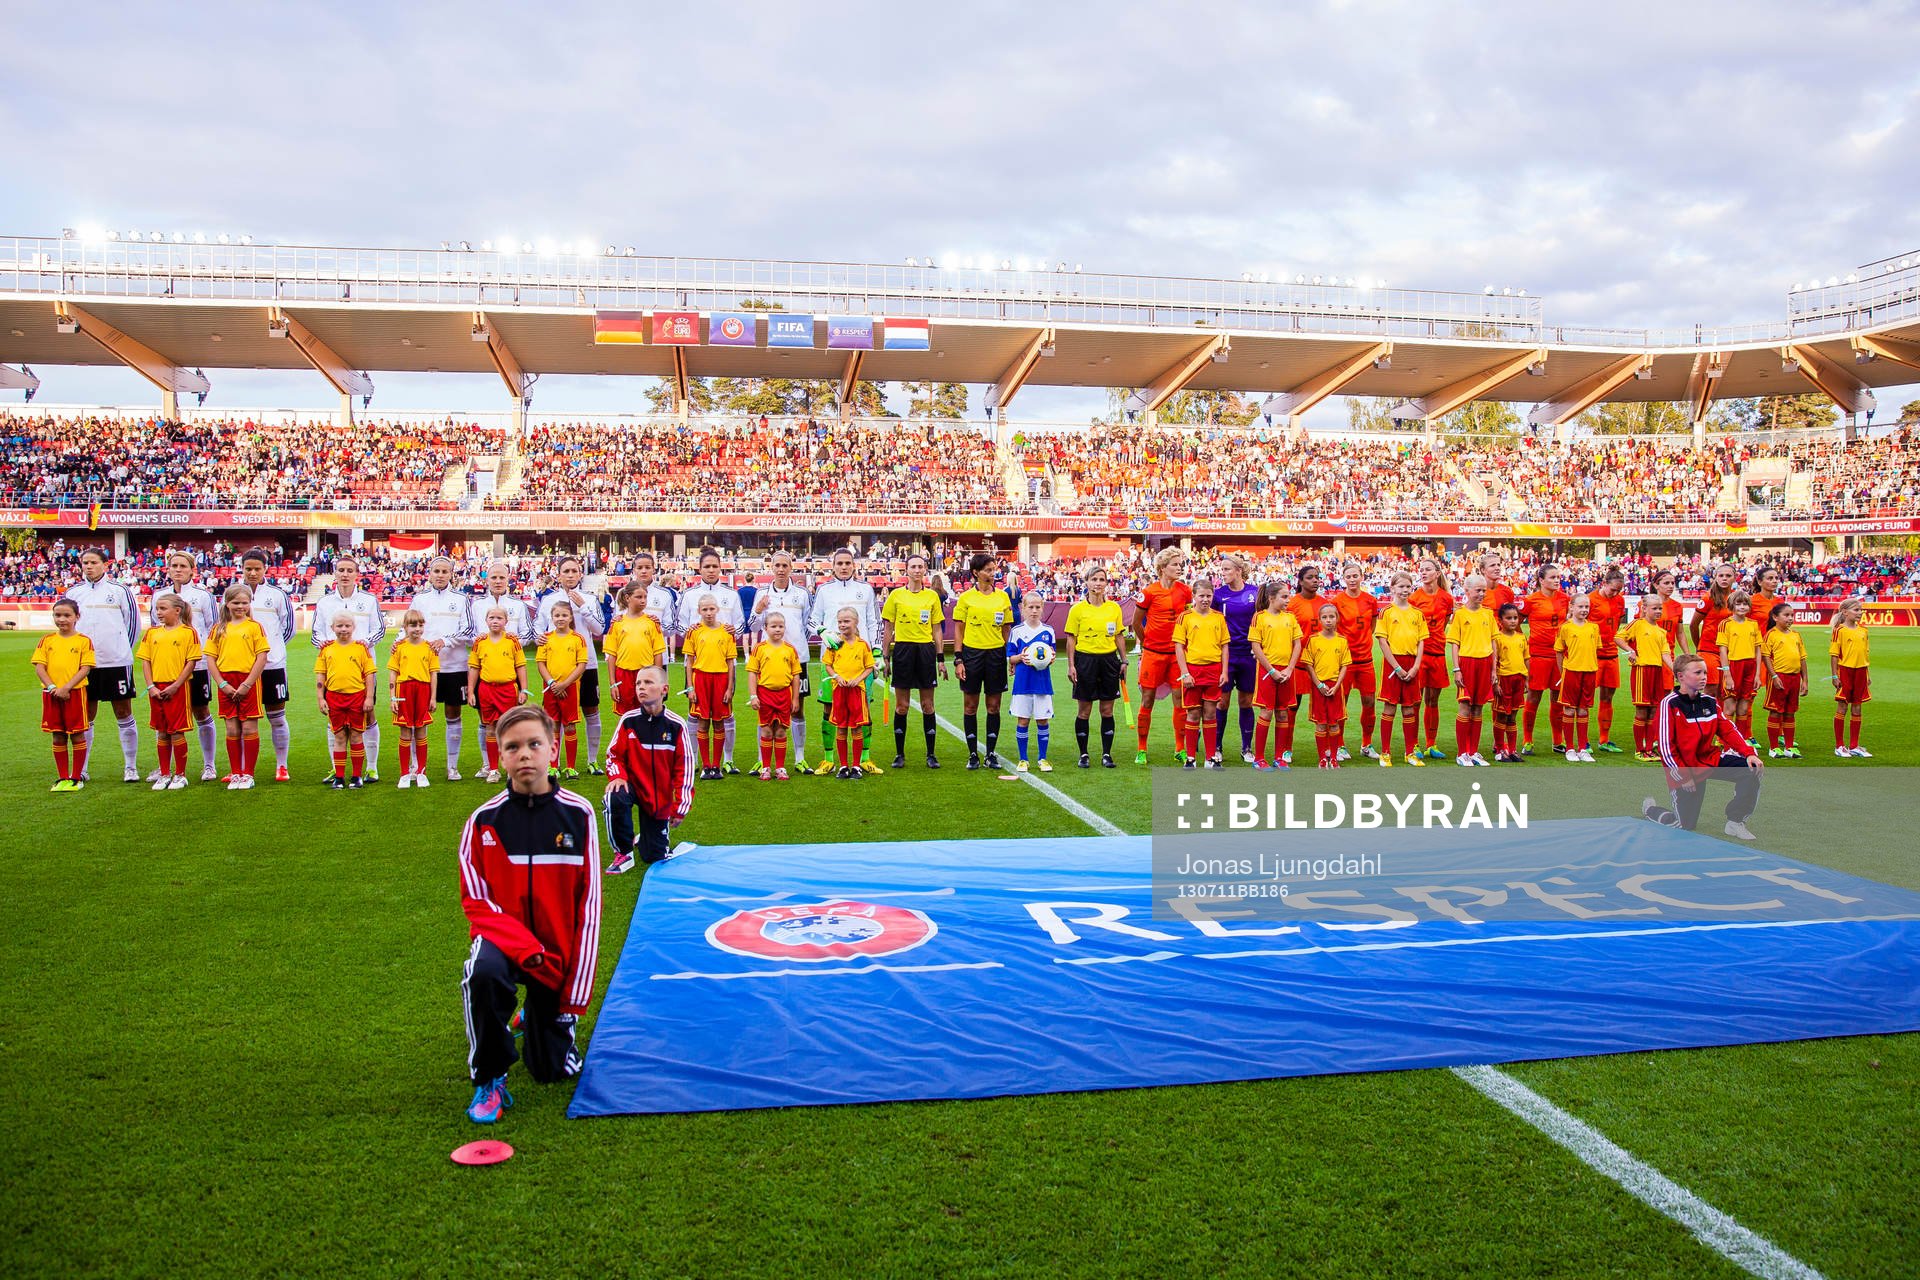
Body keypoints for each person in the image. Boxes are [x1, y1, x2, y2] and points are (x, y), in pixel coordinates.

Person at [458, 704, 603, 1124]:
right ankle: (490, 1075)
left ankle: (538, 1017)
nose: (524, 754)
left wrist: (574, 995)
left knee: (553, 1070)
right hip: (506, 946)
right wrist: (525, 949)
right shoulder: (483, 821)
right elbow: (476, 903)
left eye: (534, 744)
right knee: (482, 973)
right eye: (512, 747)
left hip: (555, 955)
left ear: (552, 749)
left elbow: (589, 906)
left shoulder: (578, 814)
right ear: (500, 756)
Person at [1643, 654, 1763, 841]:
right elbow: (1666, 749)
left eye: (1705, 672)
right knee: (1684, 825)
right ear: (1681, 676)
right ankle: (1651, 810)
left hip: (1710, 760)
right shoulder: (1669, 704)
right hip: (1686, 768)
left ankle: (1735, 821)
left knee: (1751, 769)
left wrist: (1749, 754)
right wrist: (1684, 776)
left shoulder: (1709, 702)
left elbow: (1728, 730)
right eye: (1698, 673)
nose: (1704, 677)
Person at [603, 666, 696, 875]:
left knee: (654, 856)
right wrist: (617, 776)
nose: (641, 687)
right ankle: (623, 852)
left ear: (664, 689)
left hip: (658, 797)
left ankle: (645, 839)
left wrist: (680, 806)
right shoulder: (628, 720)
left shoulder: (676, 725)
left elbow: (686, 767)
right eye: (638, 683)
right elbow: (613, 754)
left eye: (648, 682)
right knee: (613, 796)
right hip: (632, 786)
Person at [66, 548, 142, 783]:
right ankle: (82, 768)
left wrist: (122, 651)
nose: (89, 566)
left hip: (116, 662)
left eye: (93, 562)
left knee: (123, 712)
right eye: (85, 563)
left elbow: (133, 625)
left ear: (105, 564)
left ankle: (130, 767)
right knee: (86, 715)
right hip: (84, 666)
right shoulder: (74, 592)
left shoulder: (120, 591)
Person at [311, 555, 387, 782]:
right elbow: (316, 633)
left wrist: (365, 642)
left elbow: (379, 630)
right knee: (333, 719)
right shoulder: (324, 602)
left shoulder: (369, 600)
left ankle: (371, 767)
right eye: (341, 570)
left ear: (356, 574)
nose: (345, 574)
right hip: (333, 669)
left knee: (368, 713)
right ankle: (337, 769)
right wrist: (323, 643)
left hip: (363, 669)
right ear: (335, 573)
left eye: (349, 570)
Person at [807, 547, 880, 776]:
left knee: (863, 710)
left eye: (848, 563)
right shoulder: (824, 590)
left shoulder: (866, 590)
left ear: (854, 565)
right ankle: (829, 759)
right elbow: (811, 621)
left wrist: (877, 652)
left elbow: (874, 622)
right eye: (840, 563)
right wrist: (823, 632)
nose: (844, 567)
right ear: (833, 566)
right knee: (829, 709)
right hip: (833, 662)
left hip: (860, 662)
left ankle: (864, 758)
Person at [675, 548, 746, 775]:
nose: (711, 570)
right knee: (696, 714)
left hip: (724, 666)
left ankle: (727, 760)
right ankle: (695, 759)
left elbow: (740, 625)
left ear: (720, 568)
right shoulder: (689, 595)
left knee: (725, 714)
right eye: (707, 566)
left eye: (715, 566)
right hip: (698, 666)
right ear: (699, 569)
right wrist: (690, 630)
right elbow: (679, 624)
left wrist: (734, 630)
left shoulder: (731, 595)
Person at [536, 556, 608, 774]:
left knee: (591, 710)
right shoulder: (548, 600)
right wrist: (539, 636)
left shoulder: (589, 599)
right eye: (565, 571)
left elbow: (599, 629)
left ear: (580, 574)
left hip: (586, 665)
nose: (570, 575)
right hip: (556, 667)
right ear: (558, 575)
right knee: (556, 716)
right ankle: (555, 764)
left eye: (574, 571)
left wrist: (583, 607)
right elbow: (538, 627)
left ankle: (592, 760)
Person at [153, 550, 221, 782]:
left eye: (183, 566)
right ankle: (164, 768)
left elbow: (214, 629)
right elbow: (156, 630)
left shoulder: (203, 596)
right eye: (174, 566)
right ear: (168, 569)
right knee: (163, 717)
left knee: (201, 711)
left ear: (193, 569)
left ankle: (209, 764)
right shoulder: (159, 595)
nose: (178, 570)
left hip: (197, 666)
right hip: (167, 668)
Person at [409, 554, 477, 782]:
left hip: (454, 666)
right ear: (429, 574)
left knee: (453, 713)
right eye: (436, 571)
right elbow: (408, 625)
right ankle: (416, 766)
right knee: (419, 715)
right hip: (423, 667)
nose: (440, 575)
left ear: (451, 575)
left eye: (444, 571)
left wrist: (444, 640)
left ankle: (452, 766)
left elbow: (469, 631)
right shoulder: (419, 599)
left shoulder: (461, 599)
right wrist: (399, 641)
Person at [880, 553, 946, 769]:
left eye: (920, 566)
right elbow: (888, 628)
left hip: (925, 651)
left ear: (925, 569)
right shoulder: (896, 596)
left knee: (928, 705)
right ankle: (899, 754)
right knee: (902, 706)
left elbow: (937, 630)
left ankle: (931, 754)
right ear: (906, 570)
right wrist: (885, 657)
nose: (917, 570)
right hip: (903, 651)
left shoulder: (932, 597)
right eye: (913, 567)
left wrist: (940, 659)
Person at [238, 550, 298, 782]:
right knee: (241, 720)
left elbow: (288, 628)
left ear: (265, 569)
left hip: (272, 666)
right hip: (242, 667)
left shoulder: (277, 595)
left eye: (257, 569)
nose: (253, 573)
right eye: (248, 569)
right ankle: (240, 767)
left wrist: (272, 647)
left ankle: (282, 765)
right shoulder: (233, 593)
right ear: (242, 569)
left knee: (277, 716)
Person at [751, 550, 814, 771]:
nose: (780, 569)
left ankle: (799, 758)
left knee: (797, 708)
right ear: (771, 567)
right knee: (764, 714)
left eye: (784, 565)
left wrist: (796, 646)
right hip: (768, 661)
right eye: (777, 565)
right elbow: (753, 626)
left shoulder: (802, 594)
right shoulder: (762, 593)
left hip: (797, 659)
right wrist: (758, 611)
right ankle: (763, 760)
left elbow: (808, 624)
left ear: (791, 568)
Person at [952, 553, 1014, 770]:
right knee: (970, 706)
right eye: (988, 570)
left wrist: (1008, 656)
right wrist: (958, 659)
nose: (992, 573)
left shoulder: (1003, 597)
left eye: (993, 569)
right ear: (976, 573)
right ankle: (972, 754)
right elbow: (959, 630)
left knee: (993, 706)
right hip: (972, 655)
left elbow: (1007, 629)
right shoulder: (966, 598)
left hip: (995, 656)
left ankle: (990, 754)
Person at [1131, 547, 1193, 764]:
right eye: (1175, 564)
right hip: (1153, 654)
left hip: (1177, 655)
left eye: (1180, 564)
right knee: (1147, 699)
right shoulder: (1149, 592)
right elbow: (1135, 623)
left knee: (1180, 700)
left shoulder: (1185, 591)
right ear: (1162, 568)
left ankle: (1180, 748)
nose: (1179, 568)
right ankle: (1141, 749)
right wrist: (1147, 642)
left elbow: (1188, 619)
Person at [207, 584, 270, 790]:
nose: (240, 606)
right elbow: (211, 659)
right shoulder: (218, 629)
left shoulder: (254, 627)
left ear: (250, 604)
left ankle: (248, 774)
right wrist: (222, 684)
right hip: (226, 682)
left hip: (248, 681)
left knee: (249, 727)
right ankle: (236, 773)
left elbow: (261, 657)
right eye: (236, 603)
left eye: (244, 603)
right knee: (232, 728)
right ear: (227, 603)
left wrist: (247, 684)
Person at [1063, 564, 1126, 769]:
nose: (1098, 583)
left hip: (1109, 661)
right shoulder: (1077, 609)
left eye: (1101, 580)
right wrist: (1071, 665)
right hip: (1085, 661)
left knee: (1107, 710)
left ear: (1107, 583)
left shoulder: (1114, 608)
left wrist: (1124, 660)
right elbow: (1071, 639)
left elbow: (1119, 635)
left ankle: (1107, 754)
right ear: (1087, 582)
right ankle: (1084, 754)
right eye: (1094, 579)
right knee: (1085, 710)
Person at [137, 593, 201, 790]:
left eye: (163, 609)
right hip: (156, 689)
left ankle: (180, 775)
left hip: (177, 688)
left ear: (177, 610)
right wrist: (151, 686)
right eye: (157, 609)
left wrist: (176, 685)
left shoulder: (188, 632)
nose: (158, 612)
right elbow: (145, 661)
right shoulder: (152, 633)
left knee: (176, 731)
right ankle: (164, 774)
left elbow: (191, 662)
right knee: (162, 732)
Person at [33, 598, 95, 791]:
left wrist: (66, 688)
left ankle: (76, 777)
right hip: (51, 694)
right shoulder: (47, 640)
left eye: (67, 615)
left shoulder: (83, 641)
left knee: (77, 735)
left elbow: (85, 668)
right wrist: (53, 687)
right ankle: (62, 777)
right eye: (57, 615)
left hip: (74, 693)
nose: (62, 619)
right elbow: (39, 667)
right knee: (58, 735)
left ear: (77, 616)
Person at [315, 611, 376, 789]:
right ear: (332, 628)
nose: (343, 629)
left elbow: (369, 675)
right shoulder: (326, 649)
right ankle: (339, 777)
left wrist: (369, 697)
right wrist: (321, 698)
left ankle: (356, 776)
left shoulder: (361, 648)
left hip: (357, 697)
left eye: (347, 626)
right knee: (340, 737)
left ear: (354, 627)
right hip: (334, 698)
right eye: (339, 626)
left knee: (356, 736)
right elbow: (320, 675)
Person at [468, 606, 529, 783]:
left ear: (506, 621)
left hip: (508, 689)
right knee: (490, 728)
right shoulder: (480, 642)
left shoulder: (512, 641)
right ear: (486, 620)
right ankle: (493, 769)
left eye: (499, 618)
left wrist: (523, 689)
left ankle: (511, 768)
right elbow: (474, 668)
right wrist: (471, 691)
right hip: (486, 690)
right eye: (492, 618)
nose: (495, 621)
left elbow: (520, 666)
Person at [1211, 554, 1261, 764]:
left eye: (1226, 569)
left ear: (1239, 571)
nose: (1223, 573)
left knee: (1246, 701)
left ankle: (1246, 748)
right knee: (1222, 702)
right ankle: (1217, 747)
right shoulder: (1218, 595)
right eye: (1221, 569)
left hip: (1248, 655)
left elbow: (1262, 621)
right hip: (1226, 655)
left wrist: (1259, 647)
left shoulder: (1255, 593)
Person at [683, 594, 738, 781]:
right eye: (704, 609)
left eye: (711, 609)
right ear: (699, 611)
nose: (708, 613)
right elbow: (689, 662)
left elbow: (730, 663)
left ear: (717, 609)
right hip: (701, 679)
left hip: (721, 679)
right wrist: (690, 687)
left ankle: (717, 765)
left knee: (719, 721)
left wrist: (729, 688)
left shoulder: (726, 632)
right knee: (703, 721)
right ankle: (706, 766)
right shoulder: (693, 632)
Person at [1173, 587, 1230, 770]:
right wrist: (1185, 673)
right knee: (1193, 713)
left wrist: (1224, 671)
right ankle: (1190, 758)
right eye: (1201, 596)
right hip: (1193, 671)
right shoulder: (1185, 617)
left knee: (1211, 712)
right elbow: (1179, 646)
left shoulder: (1218, 617)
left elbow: (1224, 646)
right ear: (1194, 596)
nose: (1205, 599)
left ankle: (1210, 758)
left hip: (1214, 670)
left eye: (1208, 596)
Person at [1248, 581, 1302, 771]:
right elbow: (1256, 646)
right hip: (1267, 671)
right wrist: (1272, 670)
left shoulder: (1290, 617)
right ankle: (1259, 758)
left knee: (1282, 712)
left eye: (1288, 596)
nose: (1288, 600)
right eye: (1284, 597)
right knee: (1266, 711)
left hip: (1286, 672)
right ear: (1271, 598)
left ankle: (1279, 757)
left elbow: (1297, 644)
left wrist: (1289, 669)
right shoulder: (1260, 617)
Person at [1375, 571, 1426, 767]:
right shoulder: (1386, 612)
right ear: (1392, 588)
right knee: (1389, 706)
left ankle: (1410, 752)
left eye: (1408, 586)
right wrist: (1396, 667)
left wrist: (1416, 667)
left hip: (1411, 664)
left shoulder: (1417, 614)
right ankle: (1385, 753)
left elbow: (1421, 641)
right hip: (1393, 663)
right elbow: (1382, 641)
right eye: (1401, 586)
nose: (1405, 590)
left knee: (1409, 708)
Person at [1444, 574, 1495, 766]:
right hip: (1467, 663)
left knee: (1478, 706)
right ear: (1466, 591)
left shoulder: (1488, 614)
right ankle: (1462, 753)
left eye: (1484, 590)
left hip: (1485, 663)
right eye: (1478, 590)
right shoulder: (1460, 614)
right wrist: (1457, 668)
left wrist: (1494, 669)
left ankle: (1473, 751)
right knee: (1465, 706)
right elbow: (1454, 643)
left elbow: (1493, 641)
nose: (1482, 594)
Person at [745, 611, 802, 779]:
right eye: (773, 626)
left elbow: (796, 676)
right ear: (765, 628)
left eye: (781, 626)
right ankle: (765, 768)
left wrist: (795, 698)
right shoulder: (759, 648)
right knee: (767, 731)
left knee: (781, 732)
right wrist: (753, 696)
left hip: (784, 695)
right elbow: (752, 673)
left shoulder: (790, 649)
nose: (777, 629)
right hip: (765, 695)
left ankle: (780, 768)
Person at [537, 600, 590, 778]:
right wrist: (552, 683)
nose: (560, 618)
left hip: (570, 688)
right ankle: (553, 766)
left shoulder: (577, 639)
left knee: (569, 726)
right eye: (557, 615)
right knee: (553, 725)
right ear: (551, 618)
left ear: (571, 617)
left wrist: (565, 684)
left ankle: (571, 767)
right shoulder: (546, 638)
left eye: (564, 615)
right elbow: (541, 664)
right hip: (550, 688)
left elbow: (581, 665)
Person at [387, 608, 440, 788]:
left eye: (420, 625)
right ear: (405, 627)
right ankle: (404, 774)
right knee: (405, 731)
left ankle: (421, 772)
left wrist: (433, 698)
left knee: (421, 730)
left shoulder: (429, 648)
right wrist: (393, 698)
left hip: (423, 690)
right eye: (412, 625)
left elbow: (433, 674)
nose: (417, 629)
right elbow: (393, 673)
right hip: (404, 691)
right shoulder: (399, 647)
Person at [1618, 595, 1675, 761]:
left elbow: (1665, 654)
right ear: (1644, 608)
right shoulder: (1637, 624)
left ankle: (1649, 749)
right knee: (1642, 710)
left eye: (1660, 608)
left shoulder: (1661, 631)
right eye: (1654, 608)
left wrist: (1675, 670)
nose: (1658, 611)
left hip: (1657, 672)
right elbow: (1619, 637)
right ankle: (1639, 750)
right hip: (1642, 670)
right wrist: (1630, 651)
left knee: (1653, 711)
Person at [1334, 562, 1381, 761]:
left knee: (1369, 702)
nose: (1352, 579)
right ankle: (1339, 745)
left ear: (1362, 576)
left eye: (1355, 576)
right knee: (1341, 703)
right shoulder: (1337, 601)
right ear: (1343, 578)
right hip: (1345, 661)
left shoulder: (1371, 600)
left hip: (1365, 660)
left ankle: (1366, 744)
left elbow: (1372, 627)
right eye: (1348, 576)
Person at [1520, 564, 1569, 755]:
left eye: (1558, 577)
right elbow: (1514, 622)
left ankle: (1558, 741)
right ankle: (1527, 740)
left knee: (1558, 699)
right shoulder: (1531, 600)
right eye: (1552, 577)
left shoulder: (1565, 599)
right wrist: (1522, 644)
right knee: (1533, 697)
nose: (1557, 580)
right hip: (1537, 655)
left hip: (1559, 656)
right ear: (1541, 580)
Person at [1280, 565, 1327, 766]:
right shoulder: (1292, 604)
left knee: (1324, 709)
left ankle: (1328, 750)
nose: (1315, 580)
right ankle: (1286, 749)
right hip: (1298, 665)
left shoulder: (1325, 604)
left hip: (1321, 665)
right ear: (1300, 581)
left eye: (1317, 577)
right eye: (1310, 577)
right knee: (1291, 708)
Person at [1409, 557, 1454, 761]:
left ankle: (1431, 744)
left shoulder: (1446, 598)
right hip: (1419, 655)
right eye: (1421, 569)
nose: (1423, 572)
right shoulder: (1414, 598)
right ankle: (1414, 744)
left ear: (1437, 573)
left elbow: (1444, 623)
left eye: (1427, 569)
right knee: (1416, 701)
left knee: (1432, 701)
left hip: (1437, 654)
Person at [1006, 593, 1057, 773]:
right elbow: (1010, 658)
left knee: (1042, 721)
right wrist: (1021, 657)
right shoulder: (1017, 631)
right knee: (1023, 720)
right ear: (1023, 609)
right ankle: (1023, 759)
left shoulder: (1048, 631)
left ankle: (1042, 758)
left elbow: (1051, 655)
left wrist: (1050, 659)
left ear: (1042, 609)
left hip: (1042, 683)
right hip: (1023, 683)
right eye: (1030, 607)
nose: (1034, 611)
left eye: (1037, 607)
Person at [826, 605, 876, 780]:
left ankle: (856, 765)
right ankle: (843, 766)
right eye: (840, 622)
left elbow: (869, 667)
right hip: (839, 690)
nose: (842, 625)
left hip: (857, 691)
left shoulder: (863, 645)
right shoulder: (834, 643)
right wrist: (837, 676)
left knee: (856, 727)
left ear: (856, 622)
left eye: (846, 621)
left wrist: (858, 679)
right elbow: (828, 665)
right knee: (841, 727)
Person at [604, 585, 666, 717]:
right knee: (625, 716)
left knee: (648, 713)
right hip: (623, 675)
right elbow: (611, 655)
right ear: (627, 598)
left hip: (646, 674)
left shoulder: (652, 622)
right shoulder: (617, 623)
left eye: (645, 597)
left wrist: (658, 679)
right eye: (639, 597)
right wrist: (612, 683)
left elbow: (658, 653)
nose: (643, 600)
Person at [1554, 593, 1602, 762]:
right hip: (1571, 672)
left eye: (1586, 607)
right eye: (1580, 606)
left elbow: (1595, 650)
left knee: (1583, 709)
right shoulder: (1565, 628)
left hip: (1589, 672)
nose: (1584, 610)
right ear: (1571, 607)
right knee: (1569, 709)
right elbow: (1559, 651)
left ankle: (1582, 748)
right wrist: (1563, 672)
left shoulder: (1594, 628)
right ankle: (1570, 748)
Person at [1303, 603, 1351, 769]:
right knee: (1321, 723)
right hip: (1319, 687)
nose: (1328, 620)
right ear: (1319, 620)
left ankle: (1334, 758)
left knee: (1334, 723)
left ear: (1337, 618)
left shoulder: (1342, 640)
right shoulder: (1313, 640)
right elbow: (1308, 664)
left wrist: (1337, 686)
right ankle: (1323, 758)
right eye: (1324, 617)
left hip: (1335, 687)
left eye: (1332, 616)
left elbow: (1344, 665)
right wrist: (1318, 684)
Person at [1587, 566, 1628, 754]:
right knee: (1586, 699)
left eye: (1619, 590)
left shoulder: (1620, 600)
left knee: (1607, 697)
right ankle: (1583, 741)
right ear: (1604, 583)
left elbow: (1617, 625)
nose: (1615, 593)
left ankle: (1604, 739)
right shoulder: (1590, 600)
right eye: (1613, 589)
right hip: (1592, 654)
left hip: (1611, 653)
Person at [1759, 602, 1807, 759]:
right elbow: (1766, 657)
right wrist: (1774, 676)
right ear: (1775, 617)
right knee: (1775, 711)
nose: (1790, 618)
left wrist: (1805, 680)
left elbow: (1802, 658)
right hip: (1779, 677)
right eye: (1786, 615)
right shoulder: (1771, 634)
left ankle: (1789, 747)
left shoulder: (1796, 635)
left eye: (1792, 615)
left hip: (1794, 678)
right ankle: (1774, 748)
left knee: (1790, 712)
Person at [1828, 599, 1872, 758]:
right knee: (1842, 706)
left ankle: (1854, 746)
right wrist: (1835, 675)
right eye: (1856, 610)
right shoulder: (1839, 630)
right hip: (1845, 671)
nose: (1860, 612)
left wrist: (1868, 674)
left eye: (1860, 610)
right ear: (1845, 612)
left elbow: (1865, 654)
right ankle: (1839, 746)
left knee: (1857, 707)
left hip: (1861, 672)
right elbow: (1834, 654)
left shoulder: (1864, 631)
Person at [1718, 591, 1761, 746]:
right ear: (1731, 605)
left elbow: (1758, 650)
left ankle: (1740, 744)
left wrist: (1757, 674)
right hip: (1733, 666)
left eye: (1745, 604)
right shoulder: (1725, 624)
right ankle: (1726, 743)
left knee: (1743, 708)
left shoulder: (1753, 624)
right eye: (1738, 604)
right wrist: (1727, 674)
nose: (1742, 607)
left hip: (1750, 667)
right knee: (1729, 707)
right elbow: (1723, 650)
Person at [1490, 602, 1529, 763]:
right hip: (1503, 679)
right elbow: (1494, 661)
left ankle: (1512, 750)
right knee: (1501, 715)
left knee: (1512, 715)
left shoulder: (1521, 637)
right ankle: (1500, 750)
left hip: (1518, 679)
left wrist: (1527, 679)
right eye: (1509, 618)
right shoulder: (1497, 638)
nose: (1513, 621)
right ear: (1500, 620)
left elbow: (1526, 658)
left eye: (1515, 618)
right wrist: (1495, 683)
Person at [1693, 562, 1738, 699]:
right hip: (1709, 650)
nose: (1724, 578)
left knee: (1725, 692)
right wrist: (1700, 647)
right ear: (1716, 577)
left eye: (1728, 576)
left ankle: (1720, 714)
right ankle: (1707, 713)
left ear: (1735, 578)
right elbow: (1694, 625)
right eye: (1721, 575)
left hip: (1730, 651)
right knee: (1711, 690)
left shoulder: (1736, 598)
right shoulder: (1708, 598)